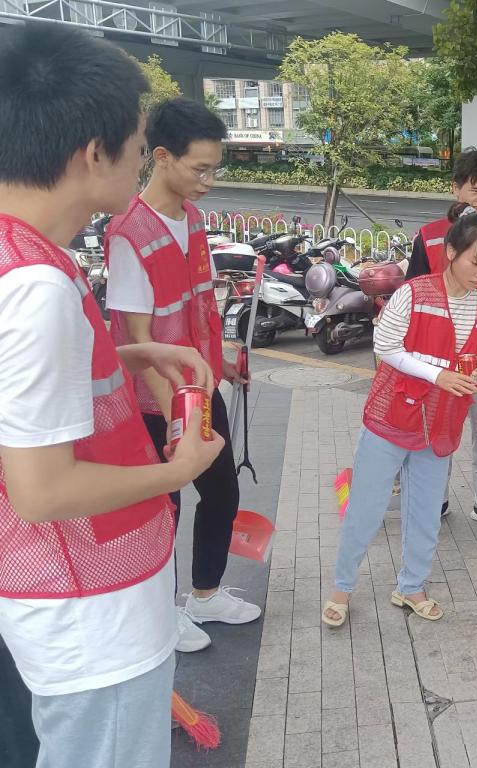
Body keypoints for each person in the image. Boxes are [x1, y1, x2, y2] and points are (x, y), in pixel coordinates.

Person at [0, 26, 223, 768]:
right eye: (135, 143)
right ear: (94, 153)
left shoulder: (23, 255)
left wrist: (128, 353)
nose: (141, 157)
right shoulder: (36, 286)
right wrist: (177, 470)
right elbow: (41, 490)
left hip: (59, 593)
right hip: (90, 609)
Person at [104, 98, 261, 654]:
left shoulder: (192, 220)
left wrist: (222, 365)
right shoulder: (129, 233)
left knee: (221, 492)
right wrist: (179, 424)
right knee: (163, 507)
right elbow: (137, 339)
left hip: (200, 388)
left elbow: (199, 306)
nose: (208, 181)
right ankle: (161, 615)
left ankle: (205, 594)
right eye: (200, 169)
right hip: (157, 404)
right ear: (163, 156)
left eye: (215, 169)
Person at [322, 209, 477, 628]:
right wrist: (439, 375)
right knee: (366, 506)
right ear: (451, 252)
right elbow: (386, 347)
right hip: (392, 416)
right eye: (475, 261)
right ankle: (342, 587)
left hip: (441, 422)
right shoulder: (415, 293)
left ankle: (411, 585)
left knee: (425, 510)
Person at [403, 151, 477, 534]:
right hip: (436, 353)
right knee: (436, 426)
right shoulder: (429, 236)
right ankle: (434, 499)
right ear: (456, 188)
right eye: (475, 189)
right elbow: (413, 292)